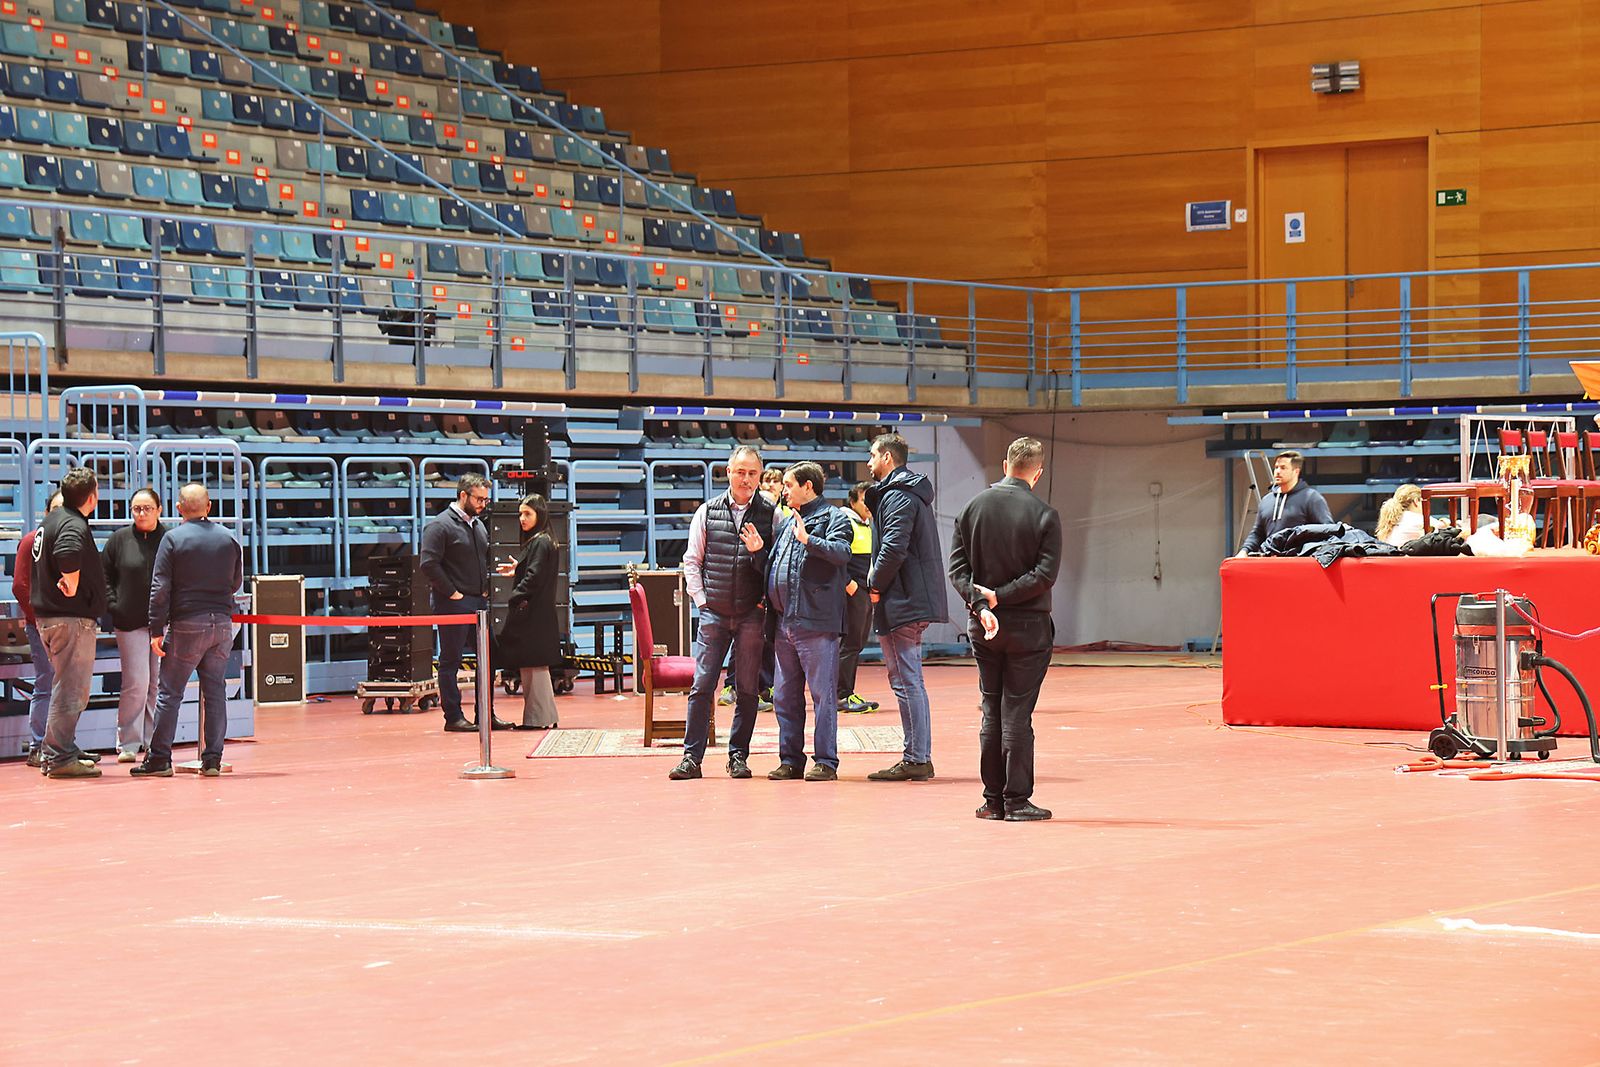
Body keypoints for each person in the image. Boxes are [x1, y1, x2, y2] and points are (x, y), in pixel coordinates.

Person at [948, 437, 1062, 823]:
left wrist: (983, 604)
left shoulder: (971, 508)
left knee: (990, 711)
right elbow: (1045, 575)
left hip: (984, 627)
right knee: (1016, 713)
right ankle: (1016, 801)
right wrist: (1001, 596)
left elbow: (958, 571)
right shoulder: (1045, 515)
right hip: (1028, 627)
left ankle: (992, 801)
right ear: (1038, 472)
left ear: (1005, 464)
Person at [669, 445, 774, 781]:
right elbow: (692, 560)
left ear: (760, 476)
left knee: (747, 690)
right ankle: (691, 758)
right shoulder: (707, 511)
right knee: (702, 687)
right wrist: (702, 601)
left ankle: (738, 756)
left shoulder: (773, 514)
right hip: (713, 613)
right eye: (740, 471)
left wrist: (760, 555)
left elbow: (776, 565)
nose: (746, 478)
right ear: (727, 472)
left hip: (751, 615)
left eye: (752, 473)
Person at [131, 484, 244, 778]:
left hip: (187, 625)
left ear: (179, 509)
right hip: (221, 624)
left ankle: (160, 760)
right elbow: (235, 582)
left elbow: (160, 589)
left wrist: (156, 629)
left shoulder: (172, 539)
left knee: (170, 694)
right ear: (209, 507)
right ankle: (212, 761)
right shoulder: (229, 538)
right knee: (215, 692)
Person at [864, 432, 948, 782]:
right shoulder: (905, 492)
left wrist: (873, 583)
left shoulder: (898, 495)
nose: (868, 463)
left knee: (906, 680)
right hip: (908, 597)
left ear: (887, 457)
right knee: (908, 679)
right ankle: (917, 755)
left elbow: (893, 548)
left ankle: (917, 757)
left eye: (872, 456)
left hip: (903, 599)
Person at [765, 462, 853, 781]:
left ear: (808, 487)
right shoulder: (789, 521)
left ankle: (826, 762)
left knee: (823, 696)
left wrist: (808, 540)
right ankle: (790, 759)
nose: (784, 490)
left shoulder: (834, 518)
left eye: (788, 485)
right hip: (784, 623)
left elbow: (843, 552)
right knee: (785, 696)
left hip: (815, 624)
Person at [32, 468, 108, 779]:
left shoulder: (51, 520)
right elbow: (67, 551)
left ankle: (61, 747)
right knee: (71, 690)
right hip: (70, 619)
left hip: (51, 617)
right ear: (92, 497)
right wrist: (72, 582)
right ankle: (59, 757)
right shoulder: (72, 524)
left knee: (65, 686)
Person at [420, 472, 496, 733]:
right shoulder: (440, 525)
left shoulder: (479, 525)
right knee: (450, 660)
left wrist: (485, 589)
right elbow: (428, 563)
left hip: (478, 603)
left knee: (487, 660)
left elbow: (485, 560)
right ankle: (453, 716)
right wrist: (452, 593)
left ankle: (485, 714)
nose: (483, 504)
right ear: (463, 495)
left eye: (486, 500)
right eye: (479, 499)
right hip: (453, 603)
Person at [102, 487, 167, 763]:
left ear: (159, 510)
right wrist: (114, 605)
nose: (142, 513)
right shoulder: (118, 540)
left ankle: (152, 741)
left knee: (157, 684)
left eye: (147, 508)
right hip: (129, 624)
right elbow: (104, 577)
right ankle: (128, 742)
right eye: (137, 509)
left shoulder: (169, 540)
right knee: (136, 682)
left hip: (163, 625)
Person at [493, 493, 562, 730]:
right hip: (539, 615)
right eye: (520, 513)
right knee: (534, 668)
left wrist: (514, 595)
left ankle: (538, 719)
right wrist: (518, 568)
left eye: (527, 513)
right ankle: (543, 717)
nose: (522, 518)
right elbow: (535, 571)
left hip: (534, 616)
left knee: (534, 668)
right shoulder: (543, 540)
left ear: (539, 515)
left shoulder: (540, 542)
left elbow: (534, 578)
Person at [14, 490, 63, 769]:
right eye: (55, 509)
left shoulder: (70, 543)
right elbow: (20, 586)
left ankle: (61, 745)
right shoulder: (31, 541)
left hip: (67, 626)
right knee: (46, 683)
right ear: (46, 513)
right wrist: (39, 619)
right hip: (40, 625)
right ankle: (38, 745)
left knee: (65, 687)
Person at [1236, 450, 1334, 556]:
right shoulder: (1266, 500)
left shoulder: (1311, 498)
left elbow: (1328, 531)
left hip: (1298, 564)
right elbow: (1258, 533)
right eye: (1276, 467)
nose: (1278, 471)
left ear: (1296, 471)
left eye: (1283, 468)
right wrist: (1244, 551)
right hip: (1270, 562)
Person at [837, 481, 879, 714]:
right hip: (852, 591)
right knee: (849, 643)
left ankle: (847, 692)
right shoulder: (845, 522)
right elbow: (834, 557)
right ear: (853, 502)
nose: (868, 505)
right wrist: (849, 584)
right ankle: (841, 695)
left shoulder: (869, 524)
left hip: (865, 591)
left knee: (857, 643)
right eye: (864, 500)